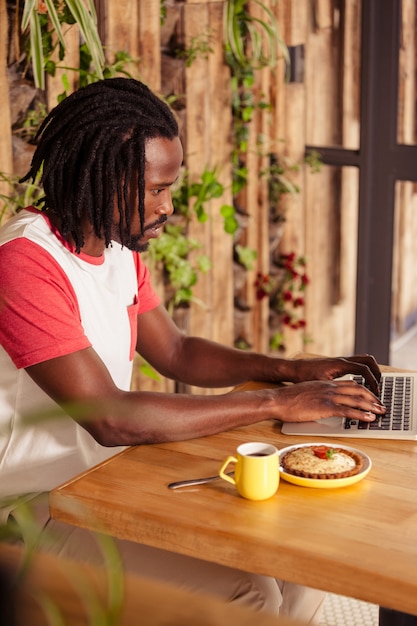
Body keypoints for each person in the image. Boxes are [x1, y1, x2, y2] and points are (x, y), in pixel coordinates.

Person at [0, 77, 386, 622]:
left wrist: (290, 369)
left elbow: (176, 351)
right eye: (156, 189)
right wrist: (277, 402)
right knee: (247, 597)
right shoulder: (24, 262)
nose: (169, 205)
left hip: (104, 481)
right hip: (34, 508)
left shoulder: (114, 247)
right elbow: (111, 418)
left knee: (293, 562)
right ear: (104, 177)